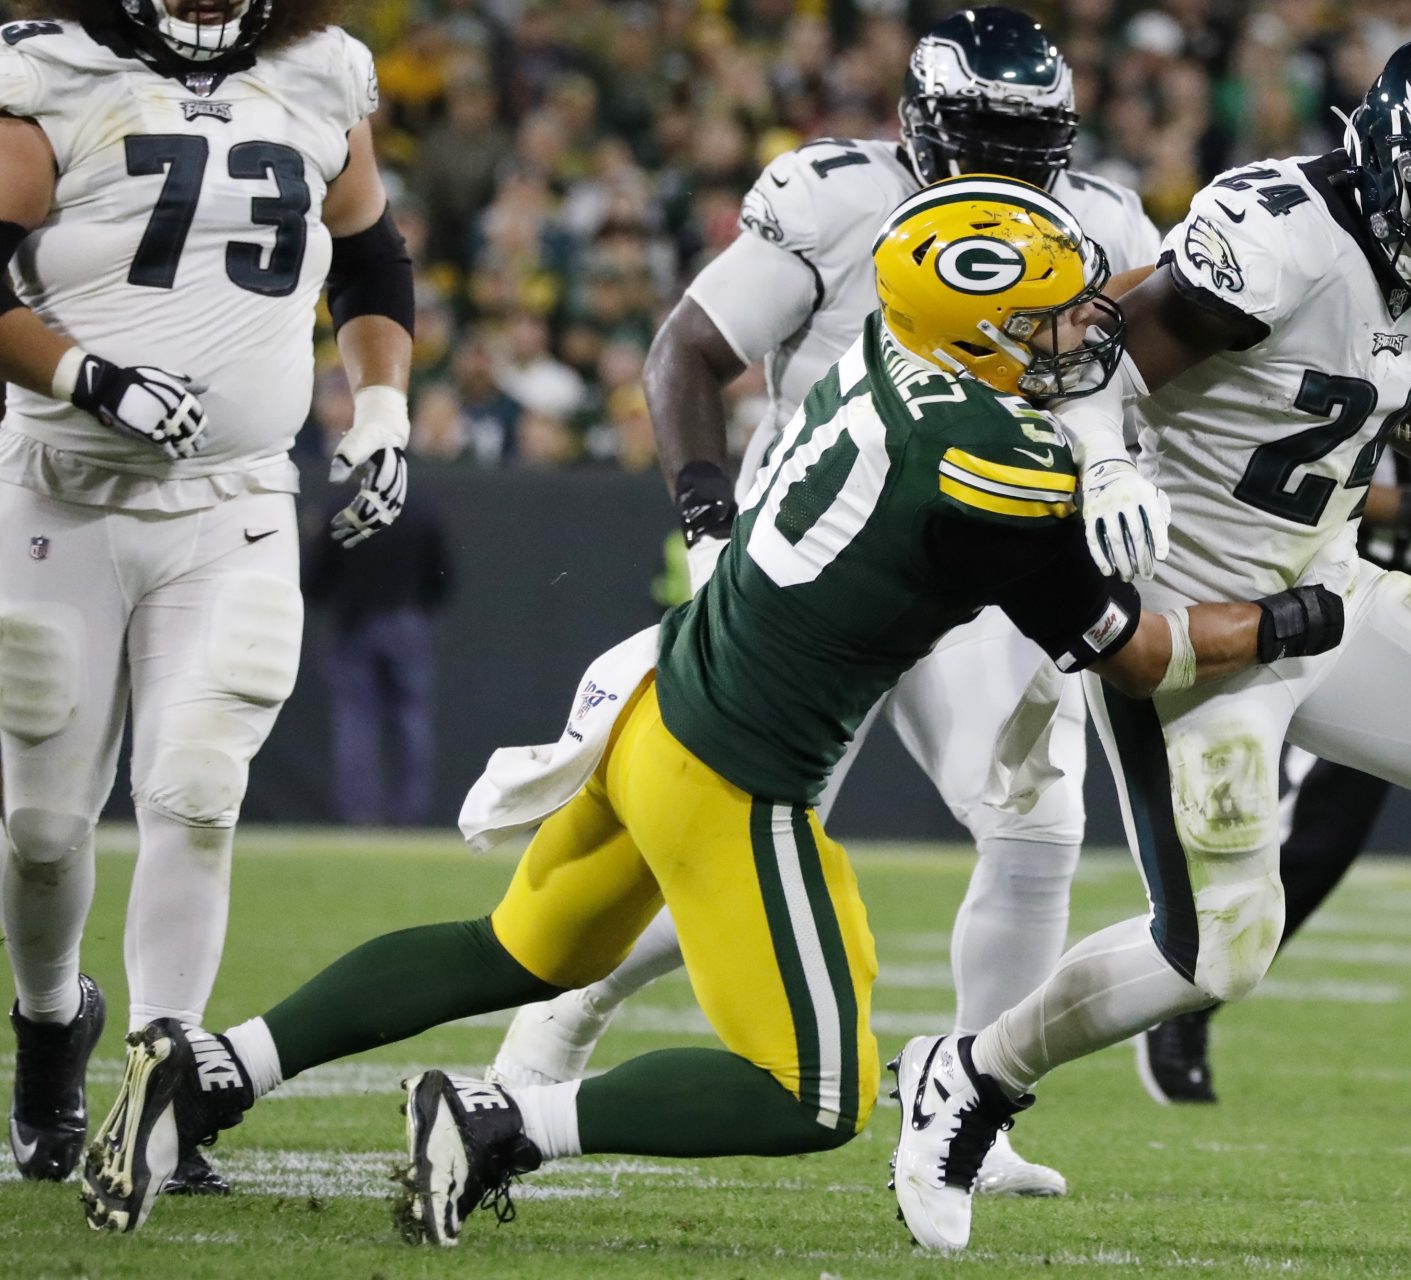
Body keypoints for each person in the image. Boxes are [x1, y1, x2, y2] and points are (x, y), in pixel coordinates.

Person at [77, 179, 1343, 1243]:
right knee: (820, 1090)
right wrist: (1294, 618)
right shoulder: (992, 472)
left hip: (670, 698)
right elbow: (1141, 654)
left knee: (517, 951)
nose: (1082, 329)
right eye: (1046, 315)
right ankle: (499, 1121)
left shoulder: (888, 357)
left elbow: (1014, 401)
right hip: (737, 769)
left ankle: (210, 1063)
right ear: (975, 336)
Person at [890, 36, 1411, 1253]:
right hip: (1193, 621)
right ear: (1391, 164)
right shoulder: (1272, 231)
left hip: (1322, 587)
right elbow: (1083, 345)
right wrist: (1107, 458)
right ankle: (971, 1071)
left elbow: (1377, 374)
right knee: (1218, 950)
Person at [485, 5, 1167, 1199]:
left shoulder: (1104, 221)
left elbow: (1137, 376)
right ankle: (547, 1039)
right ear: (925, 129)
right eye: (987, 140)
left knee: (1038, 822)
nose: (1010, 170)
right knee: (716, 839)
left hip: (996, 561)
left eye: (1030, 143)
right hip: (826, 561)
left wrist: (1117, 464)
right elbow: (686, 351)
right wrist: (707, 527)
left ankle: (971, 1103)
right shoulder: (840, 196)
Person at [0, 0, 413, 1194]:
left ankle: (157, 1085)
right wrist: (90, 378)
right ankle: (47, 1021)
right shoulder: (52, 69)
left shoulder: (323, 74)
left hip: (232, 500)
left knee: (197, 788)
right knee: (40, 831)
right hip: (59, 492)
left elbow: (371, 254)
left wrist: (379, 411)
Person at [1136, 288, 1411, 1117]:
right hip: (1364, 586)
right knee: (1317, 838)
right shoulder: (1352, 298)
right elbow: (1285, 461)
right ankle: (1187, 988)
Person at [305, 491, 455, 825]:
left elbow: (316, 578)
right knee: (410, 719)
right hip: (407, 622)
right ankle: (409, 814)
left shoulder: (343, 506)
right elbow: (442, 575)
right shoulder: (418, 506)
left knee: (357, 721)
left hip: (353, 623)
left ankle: (361, 816)